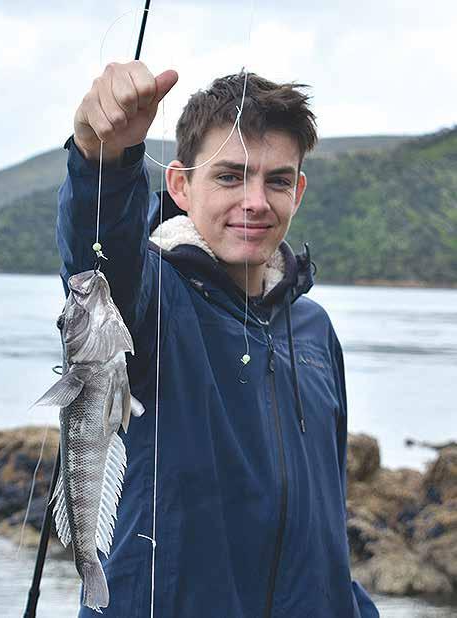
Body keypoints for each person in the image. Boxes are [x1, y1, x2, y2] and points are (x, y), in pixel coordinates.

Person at [57, 60, 380, 617]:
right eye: (230, 176)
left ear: (298, 191)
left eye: (277, 180)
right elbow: (98, 255)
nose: (255, 201)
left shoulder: (314, 331)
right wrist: (100, 157)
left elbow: (327, 515)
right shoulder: (151, 301)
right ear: (180, 185)